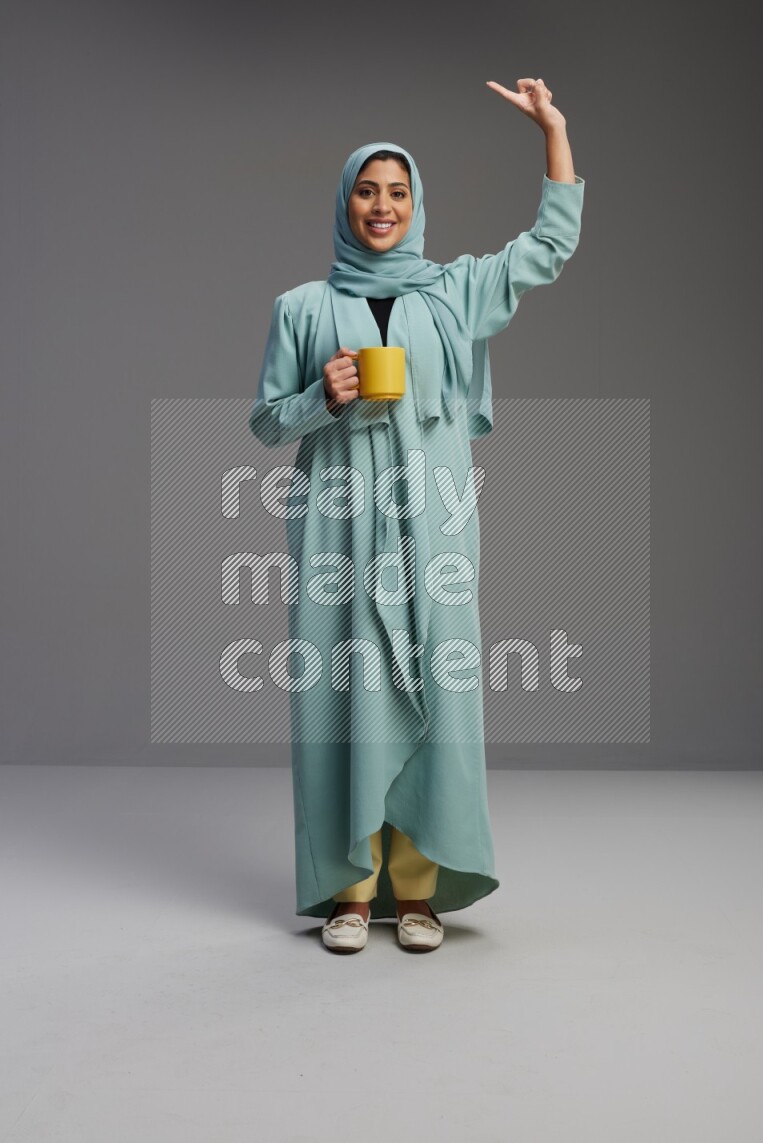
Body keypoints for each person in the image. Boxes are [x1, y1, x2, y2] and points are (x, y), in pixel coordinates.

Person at [248, 77, 585, 953]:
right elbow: (264, 423)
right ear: (345, 203)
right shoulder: (303, 308)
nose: (382, 205)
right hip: (338, 533)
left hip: (433, 531)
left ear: (417, 203)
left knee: (436, 691)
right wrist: (319, 396)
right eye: (368, 189)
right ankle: (352, 891)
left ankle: (420, 889)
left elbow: (548, 246)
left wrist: (552, 132)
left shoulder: (453, 295)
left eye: (398, 191)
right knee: (347, 694)